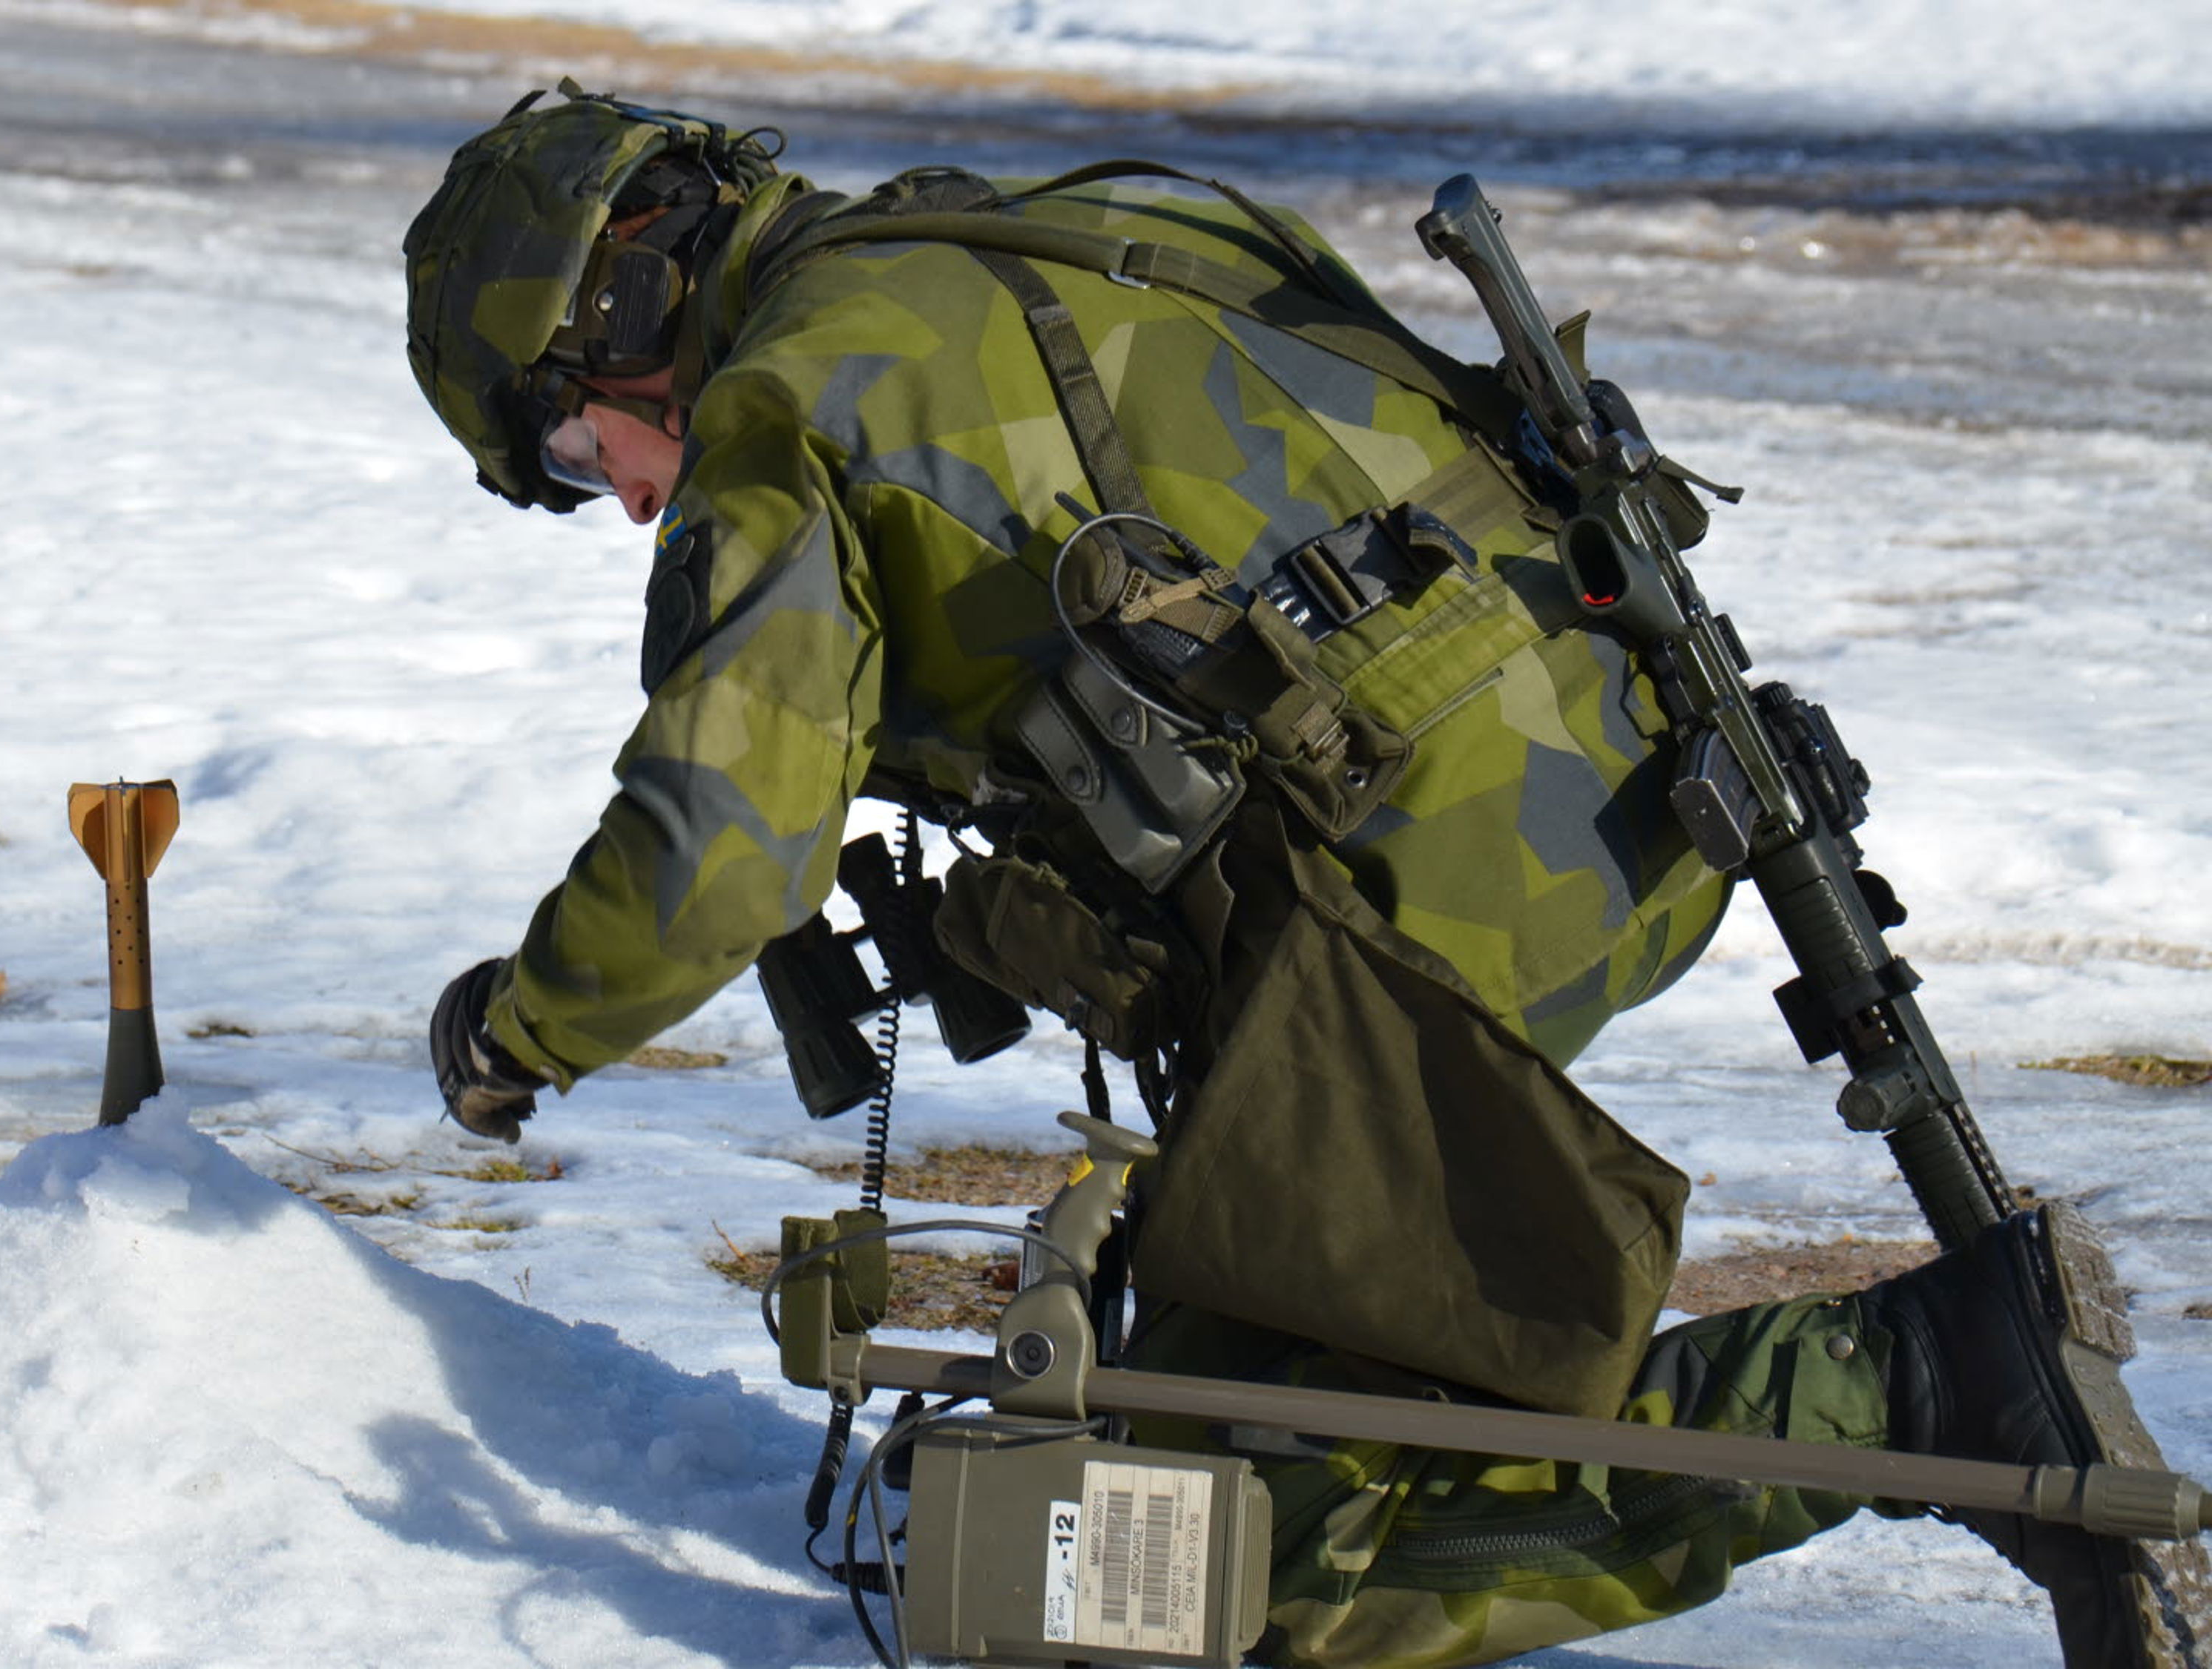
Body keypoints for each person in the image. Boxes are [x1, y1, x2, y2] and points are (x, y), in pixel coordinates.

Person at [406, 83, 2203, 1668]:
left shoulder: (789, 399)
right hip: (1649, 788)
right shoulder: (1033, 227)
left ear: (618, 308)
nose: (622, 500)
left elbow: (719, 835)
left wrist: (518, 1030)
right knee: (1201, 1424)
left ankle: (1928, 1393)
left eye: (572, 450)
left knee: (1220, 1570)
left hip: (1428, 904)